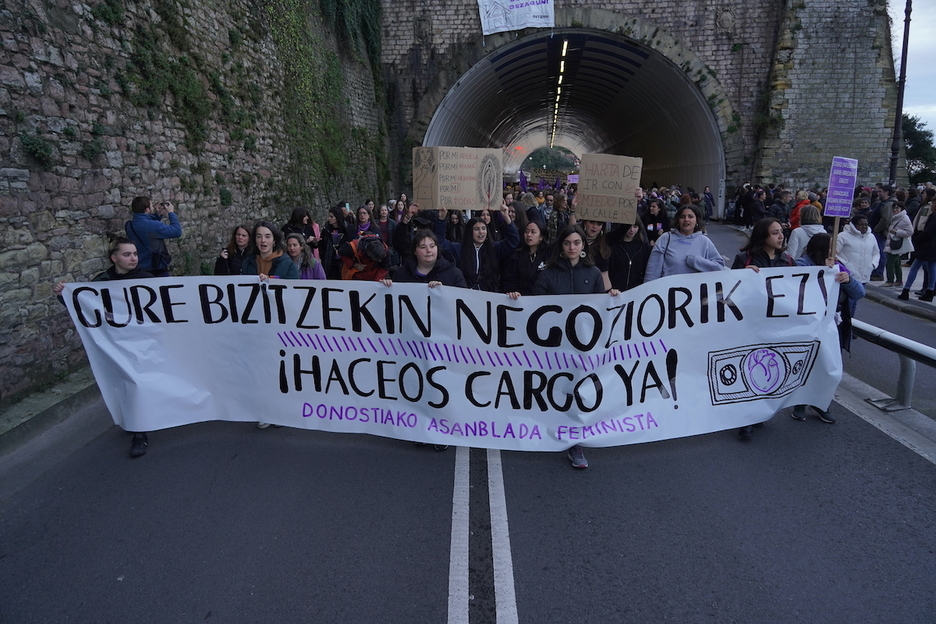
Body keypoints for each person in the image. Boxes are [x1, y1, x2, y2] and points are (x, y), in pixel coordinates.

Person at [522, 224, 621, 469]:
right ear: (561, 247)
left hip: (584, 345)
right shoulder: (547, 274)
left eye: (577, 243)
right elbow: (534, 308)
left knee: (579, 391)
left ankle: (575, 444)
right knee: (556, 390)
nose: (572, 247)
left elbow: (601, 308)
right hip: (555, 345)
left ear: (583, 246)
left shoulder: (594, 273)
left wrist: (613, 296)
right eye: (567, 243)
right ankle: (548, 431)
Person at [53, 237, 155, 457]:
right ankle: (136, 421)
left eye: (135, 254)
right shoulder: (101, 282)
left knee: (138, 384)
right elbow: (84, 307)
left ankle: (140, 433)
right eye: (127, 254)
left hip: (141, 343)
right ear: (114, 257)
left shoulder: (147, 280)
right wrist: (64, 296)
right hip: (116, 344)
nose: (133, 258)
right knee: (126, 385)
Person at [791, 233, 865, 423]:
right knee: (807, 362)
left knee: (829, 366)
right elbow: (798, 288)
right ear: (822, 248)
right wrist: (823, 271)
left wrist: (846, 279)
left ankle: (821, 402)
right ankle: (800, 402)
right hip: (809, 324)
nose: (837, 251)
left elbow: (859, 293)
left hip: (833, 324)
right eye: (833, 246)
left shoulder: (839, 266)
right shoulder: (802, 264)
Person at [437, 205, 519, 292]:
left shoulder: (494, 248)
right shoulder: (459, 249)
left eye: (483, 229)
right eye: (476, 229)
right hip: (464, 294)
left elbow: (513, 241)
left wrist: (506, 217)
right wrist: (441, 220)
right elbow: (440, 243)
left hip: (488, 295)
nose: (481, 232)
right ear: (469, 232)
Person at [644, 204, 725, 281]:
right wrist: (648, 290)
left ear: (696, 220)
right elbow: (652, 271)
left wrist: (696, 262)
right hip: (668, 292)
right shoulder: (666, 238)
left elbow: (719, 267)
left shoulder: (705, 241)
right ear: (678, 220)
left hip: (696, 292)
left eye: (690, 216)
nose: (686, 219)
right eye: (682, 217)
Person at [382, 230, 466, 288]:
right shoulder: (401, 274)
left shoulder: (454, 274)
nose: (428, 250)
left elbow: (463, 301)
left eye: (432, 246)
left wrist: (444, 292)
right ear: (415, 251)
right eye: (423, 247)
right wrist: (386, 287)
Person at [124, 196, 182, 277]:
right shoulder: (154, 226)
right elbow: (177, 232)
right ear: (146, 209)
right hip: (156, 268)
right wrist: (171, 213)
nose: (153, 207)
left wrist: (157, 215)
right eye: (151, 206)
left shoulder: (128, 225)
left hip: (138, 268)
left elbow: (146, 229)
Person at [835, 216, 878, 314]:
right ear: (854, 225)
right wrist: (846, 266)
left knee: (855, 303)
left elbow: (876, 253)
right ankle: (845, 323)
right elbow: (834, 254)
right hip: (849, 277)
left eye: (866, 224)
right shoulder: (843, 236)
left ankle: (851, 323)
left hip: (863, 276)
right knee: (848, 303)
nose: (864, 227)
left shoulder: (871, 237)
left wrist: (873, 265)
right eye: (861, 224)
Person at [899, 195, 936, 301]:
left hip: (927, 246)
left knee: (915, 267)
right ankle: (930, 291)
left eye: (933, 203)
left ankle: (906, 290)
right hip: (933, 246)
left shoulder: (934, 216)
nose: (931, 205)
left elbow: (928, 231)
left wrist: (917, 239)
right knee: (932, 269)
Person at [502, 220, 550, 296]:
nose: (529, 235)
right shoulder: (516, 256)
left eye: (533, 232)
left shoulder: (549, 255)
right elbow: (510, 281)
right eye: (526, 232)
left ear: (541, 237)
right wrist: (513, 292)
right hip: (522, 300)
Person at [607, 218, 651, 291]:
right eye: (629, 226)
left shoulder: (644, 247)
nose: (632, 230)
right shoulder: (614, 246)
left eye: (635, 226)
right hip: (615, 290)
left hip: (637, 290)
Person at [883, 201, 914, 287]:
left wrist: (897, 232)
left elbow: (910, 232)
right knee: (896, 263)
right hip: (893, 243)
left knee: (890, 262)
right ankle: (899, 281)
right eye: (894, 208)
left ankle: (890, 281)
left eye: (897, 208)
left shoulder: (904, 218)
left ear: (902, 209)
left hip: (896, 244)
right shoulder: (896, 217)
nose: (895, 210)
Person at [319, 205, 348, 280]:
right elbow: (321, 245)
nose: (329, 218)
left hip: (343, 263)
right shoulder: (326, 230)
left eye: (332, 217)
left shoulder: (347, 229)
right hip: (329, 262)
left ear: (337, 217)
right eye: (329, 216)